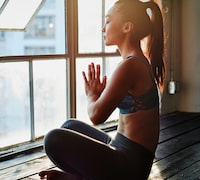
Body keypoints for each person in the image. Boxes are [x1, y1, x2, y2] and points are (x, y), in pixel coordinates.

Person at [39, 0, 165, 179]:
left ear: (127, 27)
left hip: (130, 168)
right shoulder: (136, 61)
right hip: (121, 149)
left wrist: (92, 96)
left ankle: (78, 178)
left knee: (53, 140)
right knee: (70, 126)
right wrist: (100, 95)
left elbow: (96, 116)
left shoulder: (130, 66)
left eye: (108, 21)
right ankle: (78, 176)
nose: (103, 28)